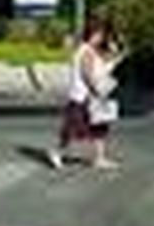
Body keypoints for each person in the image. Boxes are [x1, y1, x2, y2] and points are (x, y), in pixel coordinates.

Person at [49, 18, 121, 170]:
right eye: (100, 34)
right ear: (93, 34)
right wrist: (98, 90)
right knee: (73, 129)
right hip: (82, 97)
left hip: (90, 96)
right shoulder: (86, 51)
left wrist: (114, 55)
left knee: (99, 126)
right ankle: (57, 151)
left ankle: (99, 158)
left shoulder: (91, 51)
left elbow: (104, 66)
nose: (102, 38)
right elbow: (87, 75)